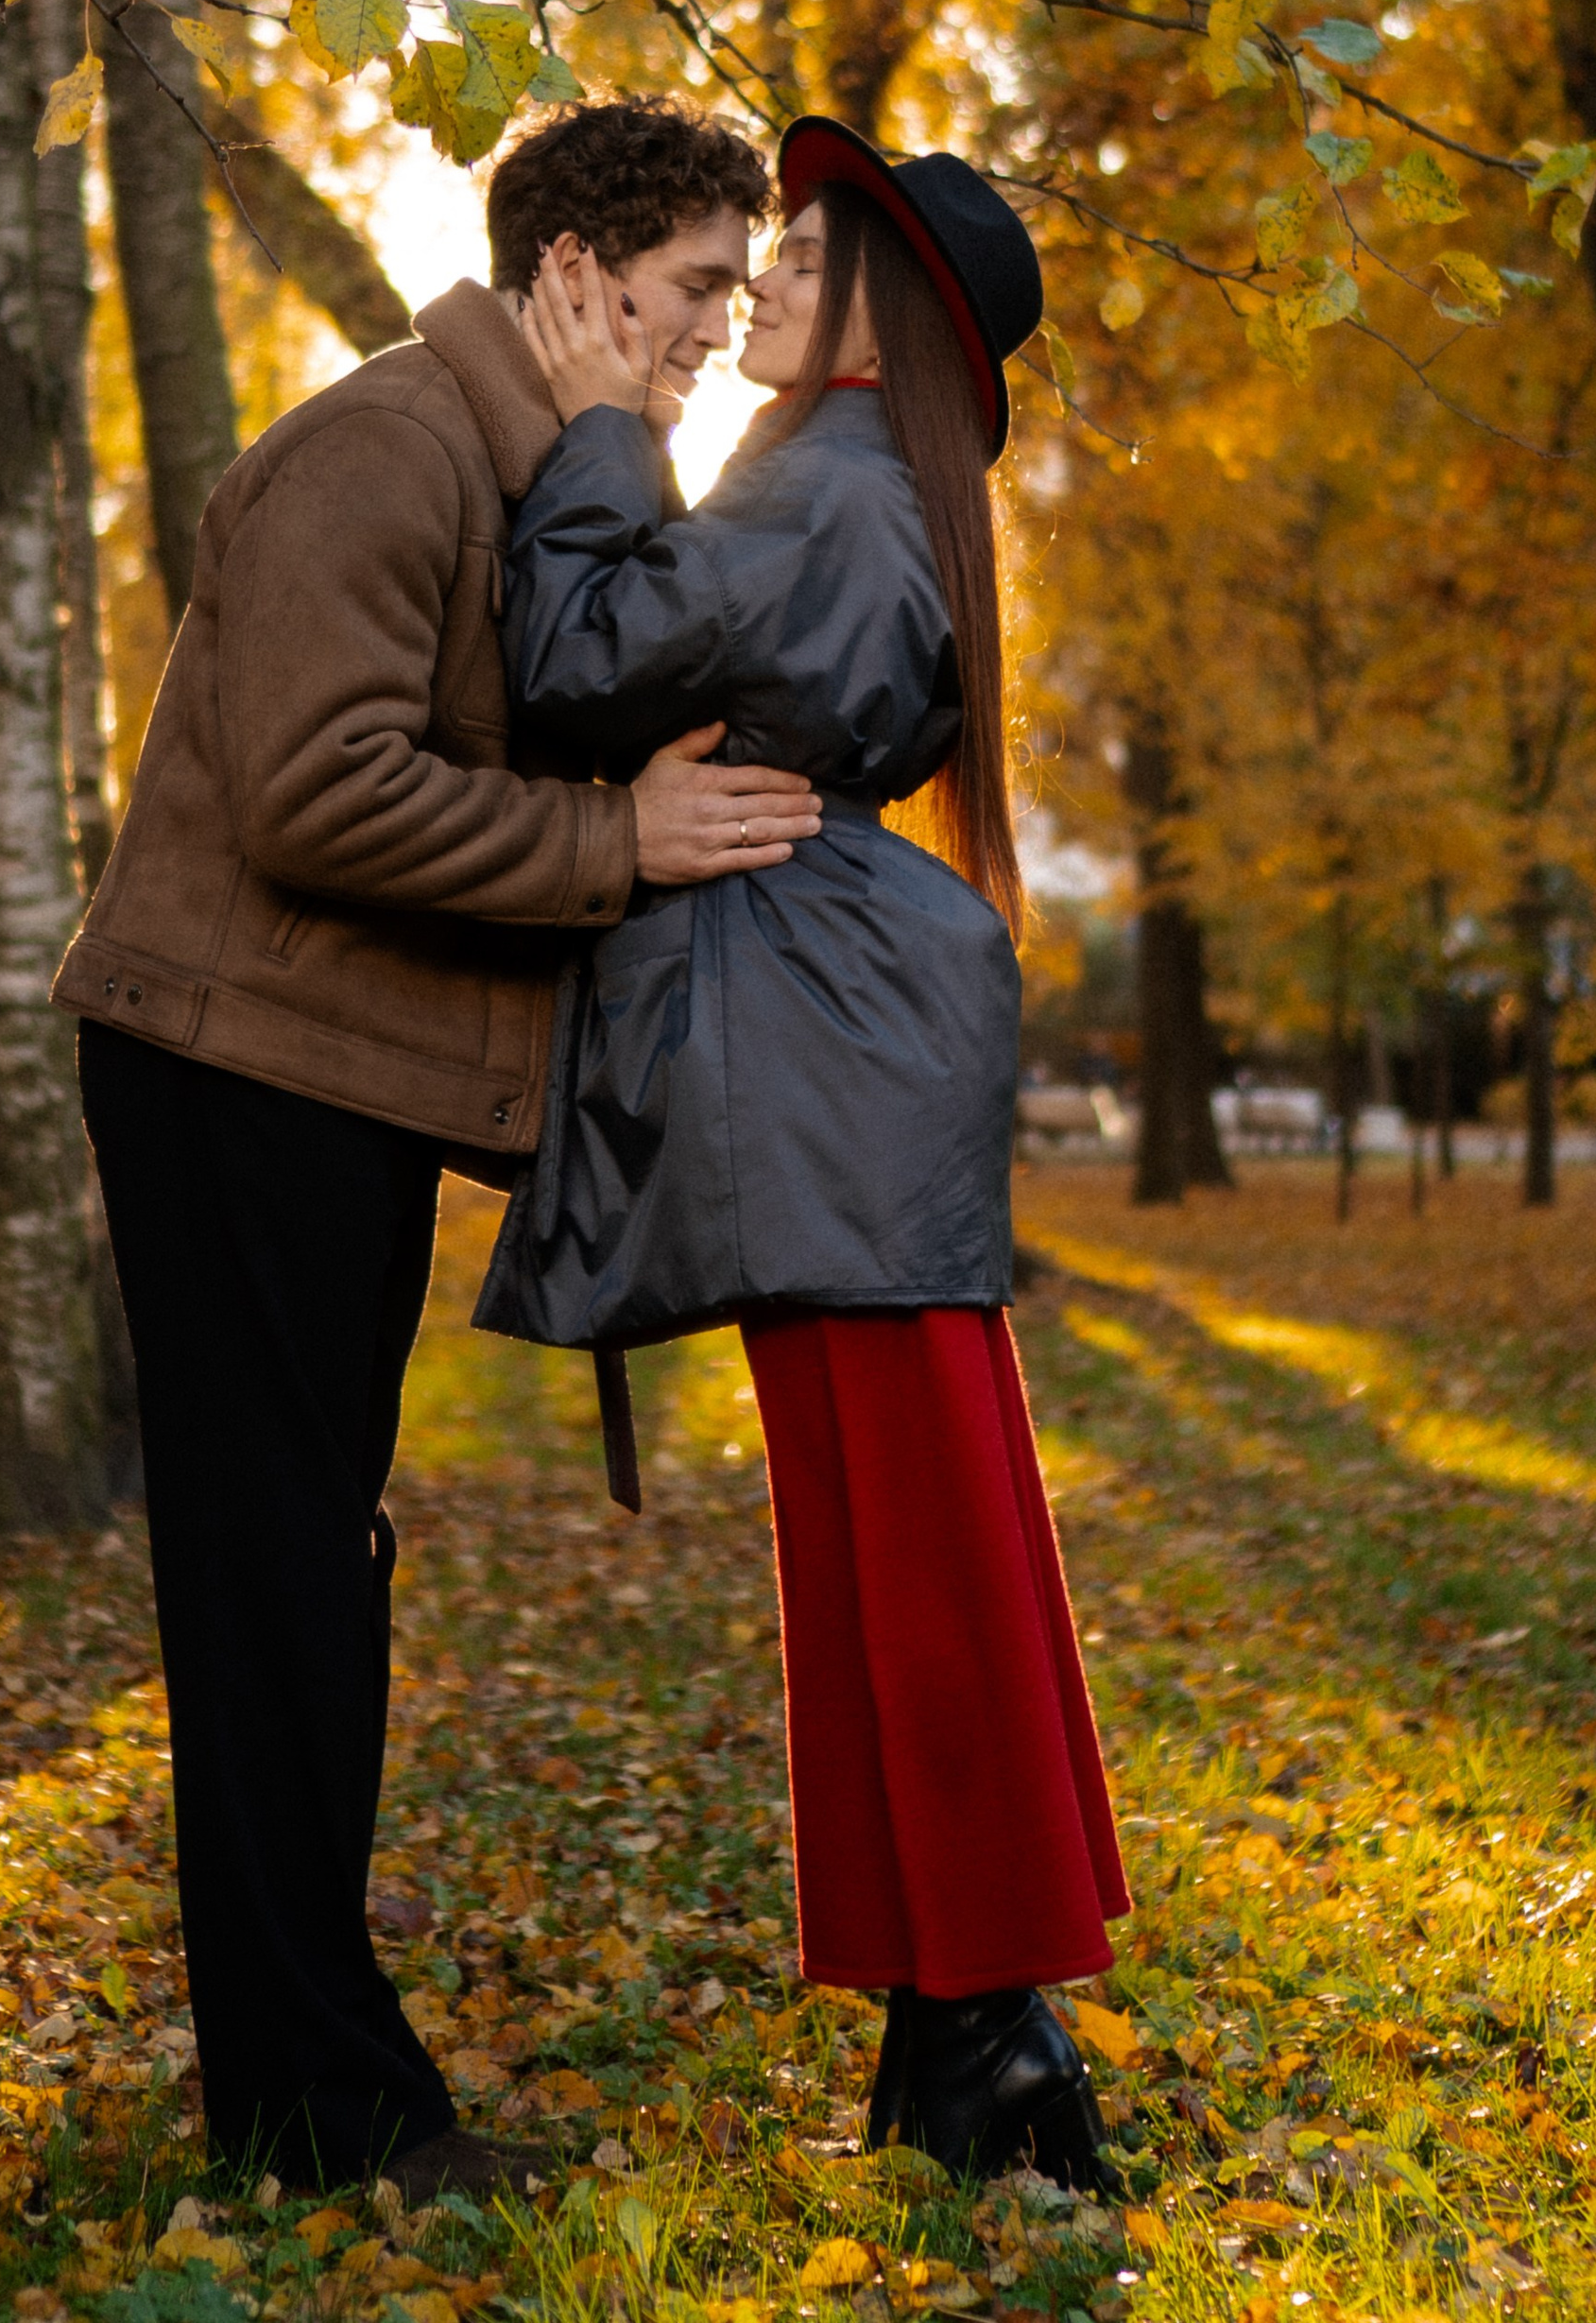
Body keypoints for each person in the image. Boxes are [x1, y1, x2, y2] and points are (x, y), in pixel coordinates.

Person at [56, 98, 824, 2201]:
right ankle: (320, 2120)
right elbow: (317, 793)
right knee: (276, 1584)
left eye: (729, 305)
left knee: (310, 1572)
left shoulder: (522, 466)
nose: (703, 340)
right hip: (234, 1073)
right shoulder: (381, 450)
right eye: (684, 298)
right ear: (569, 272)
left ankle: (319, 2095)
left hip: (326, 1080)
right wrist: (614, 838)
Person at [476, 118, 1129, 2190]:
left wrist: (592, 424)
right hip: (831, 1042)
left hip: (828, 1056)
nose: (757, 274)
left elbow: (574, 656)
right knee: (879, 1544)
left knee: (916, 1544)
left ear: (882, 319)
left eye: (805, 248)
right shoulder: (833, 482)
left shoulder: (833, 486)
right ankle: (954, 2019)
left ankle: (998, 2028)